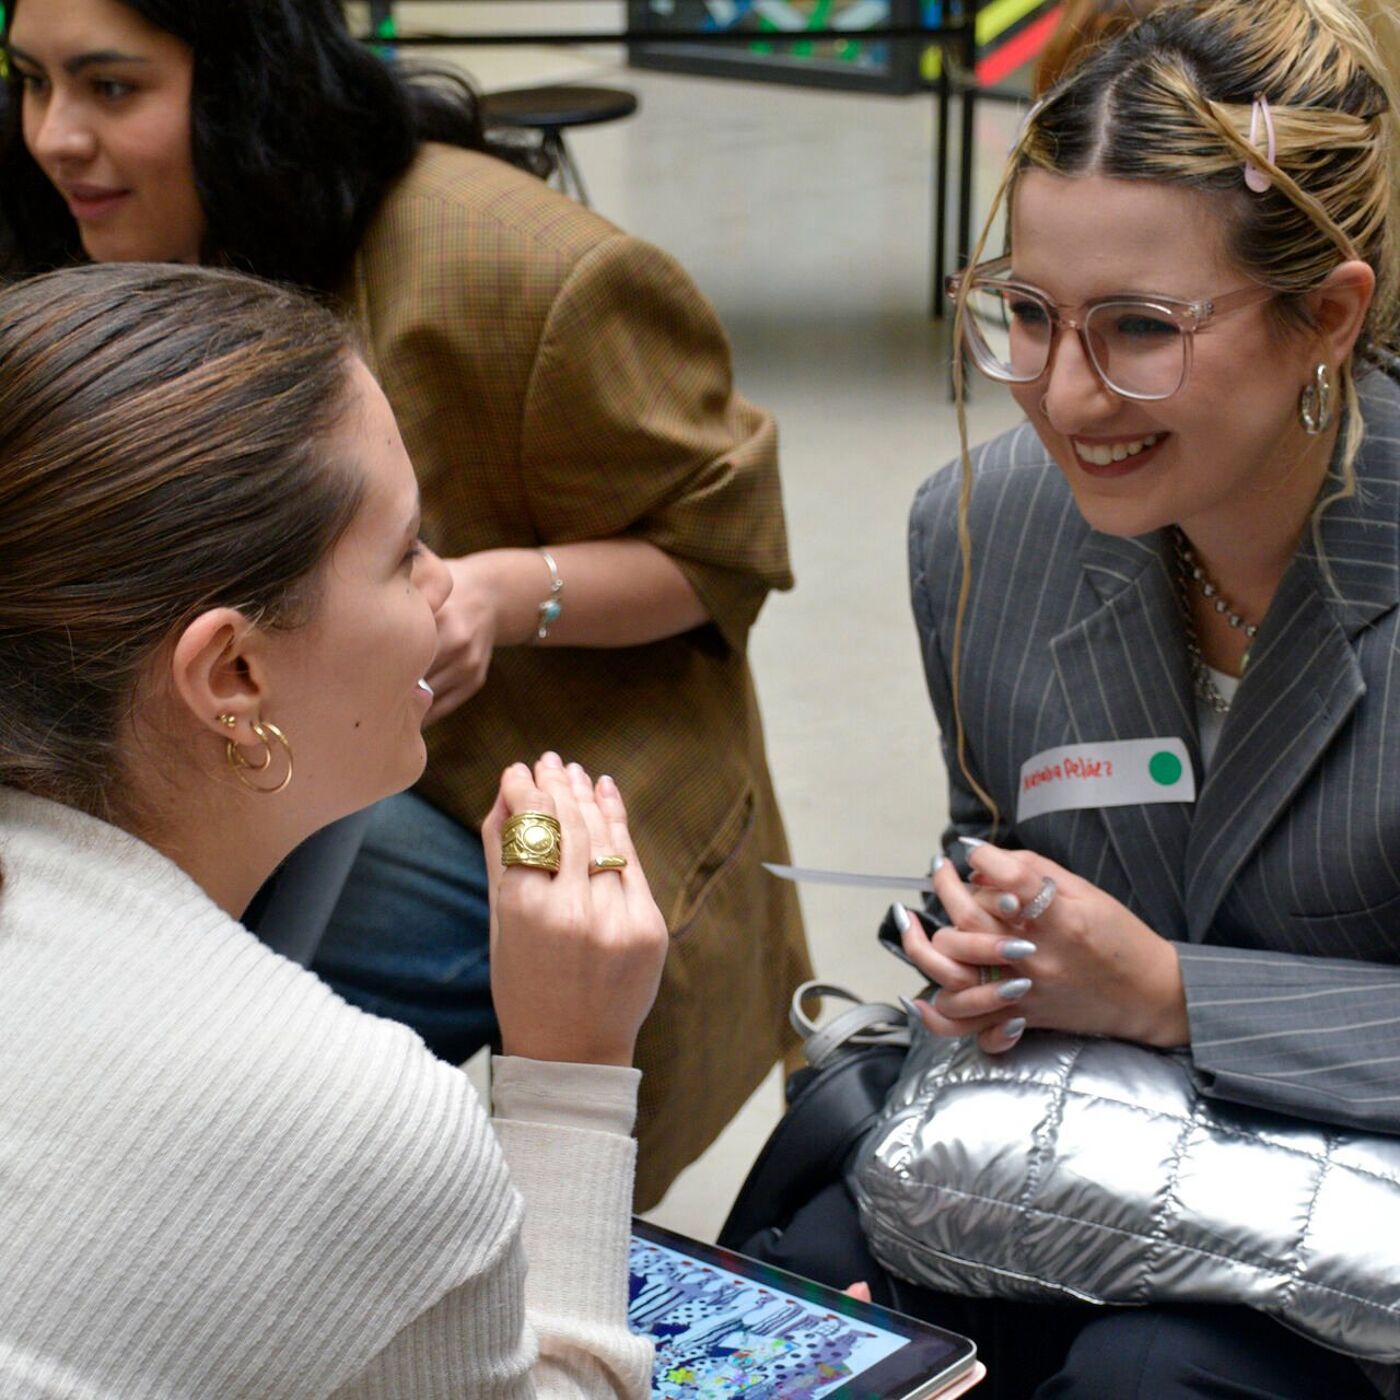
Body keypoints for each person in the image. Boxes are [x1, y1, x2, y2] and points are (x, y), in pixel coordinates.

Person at [0, 0, 812, 1208]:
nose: (58, 136)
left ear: (244, 87)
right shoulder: (61, 243)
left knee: (268, 1064)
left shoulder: (523, 269)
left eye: (113, 89)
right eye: (30, 82)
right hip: (243, 763)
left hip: (501, 780)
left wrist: (505, 589)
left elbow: (722, 547)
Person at [746, 0, 1400, 1395]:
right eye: (1026, 315)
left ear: (1327, 317)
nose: (1062, 393)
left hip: (1354, 1227)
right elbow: (1001, 832)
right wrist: (978, 936)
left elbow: (1151, 973)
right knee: (809, 1305)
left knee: (1152, 1375)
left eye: (1140, 329)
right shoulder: (989, 534)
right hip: (1083, 1167)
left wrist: (1172, 993)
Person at [0, 262, 668, 1396]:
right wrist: (569, 1071)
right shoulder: (356, 1119)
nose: (447, 594)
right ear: (235, 672)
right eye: (403, 554)